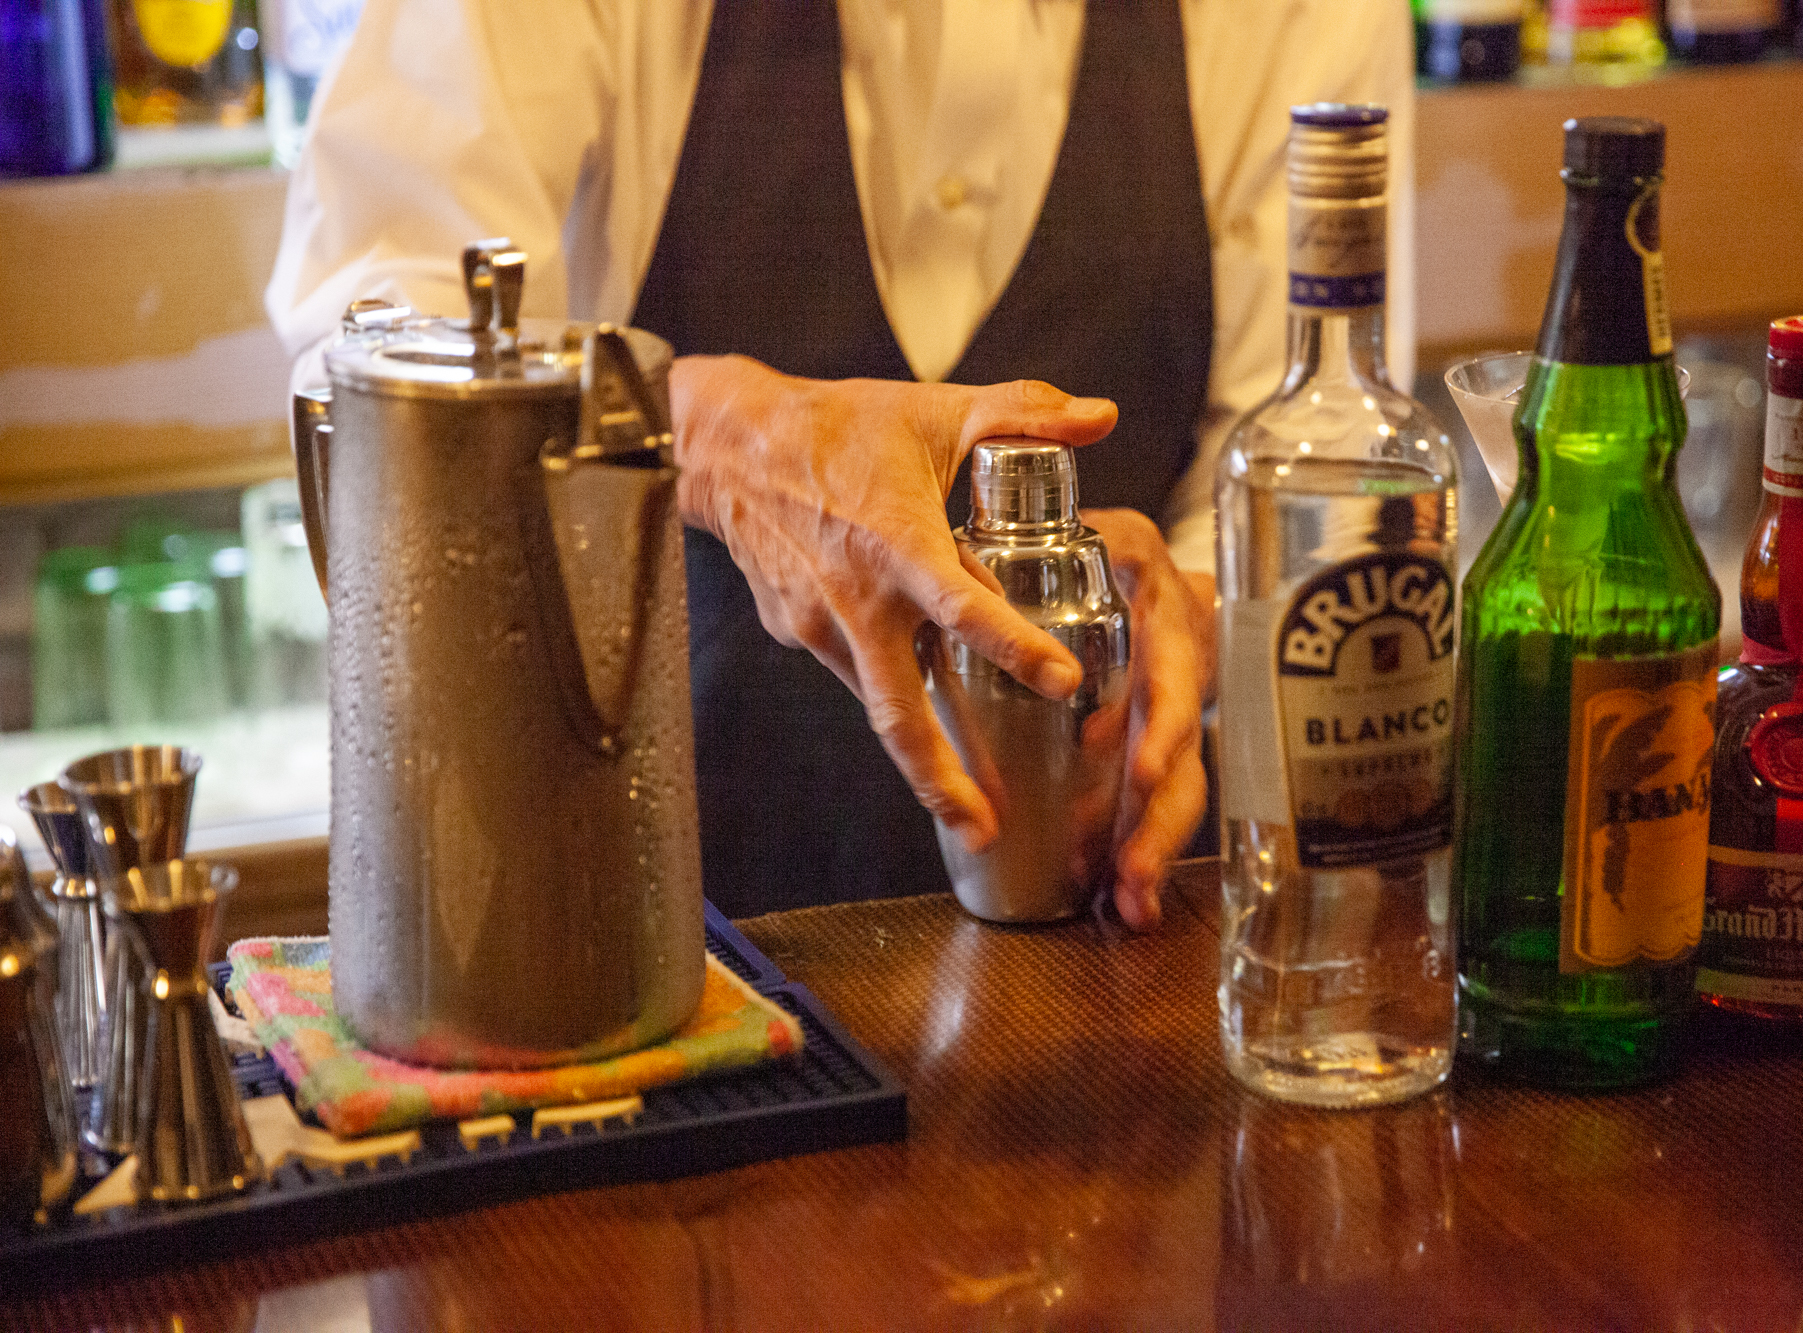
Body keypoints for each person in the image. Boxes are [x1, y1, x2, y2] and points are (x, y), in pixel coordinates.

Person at [266, 0, 1417, 929]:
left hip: (1109, 938)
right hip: (668, 939)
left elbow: (1311, 452)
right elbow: (370, 352)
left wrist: (1193, 622)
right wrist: (701, 430)